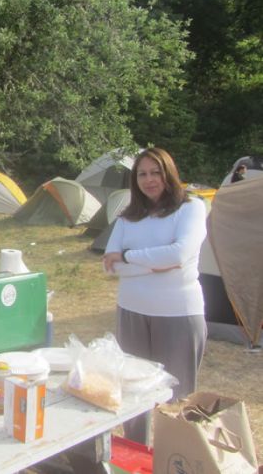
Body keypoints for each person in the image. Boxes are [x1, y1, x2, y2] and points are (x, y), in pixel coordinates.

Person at [103, 147, 207, 444]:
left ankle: (176, 455)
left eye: (155, 172)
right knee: (133, 392)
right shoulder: (127, 217)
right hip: (132, 311)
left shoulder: (192, 208)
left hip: (178, 313)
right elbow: (112, 267)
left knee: (176, 397)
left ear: (168, 173)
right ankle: (137, 454)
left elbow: (180, 254)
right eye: (142, 174)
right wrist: (156, 265)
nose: (149, 180)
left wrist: (129, 256)